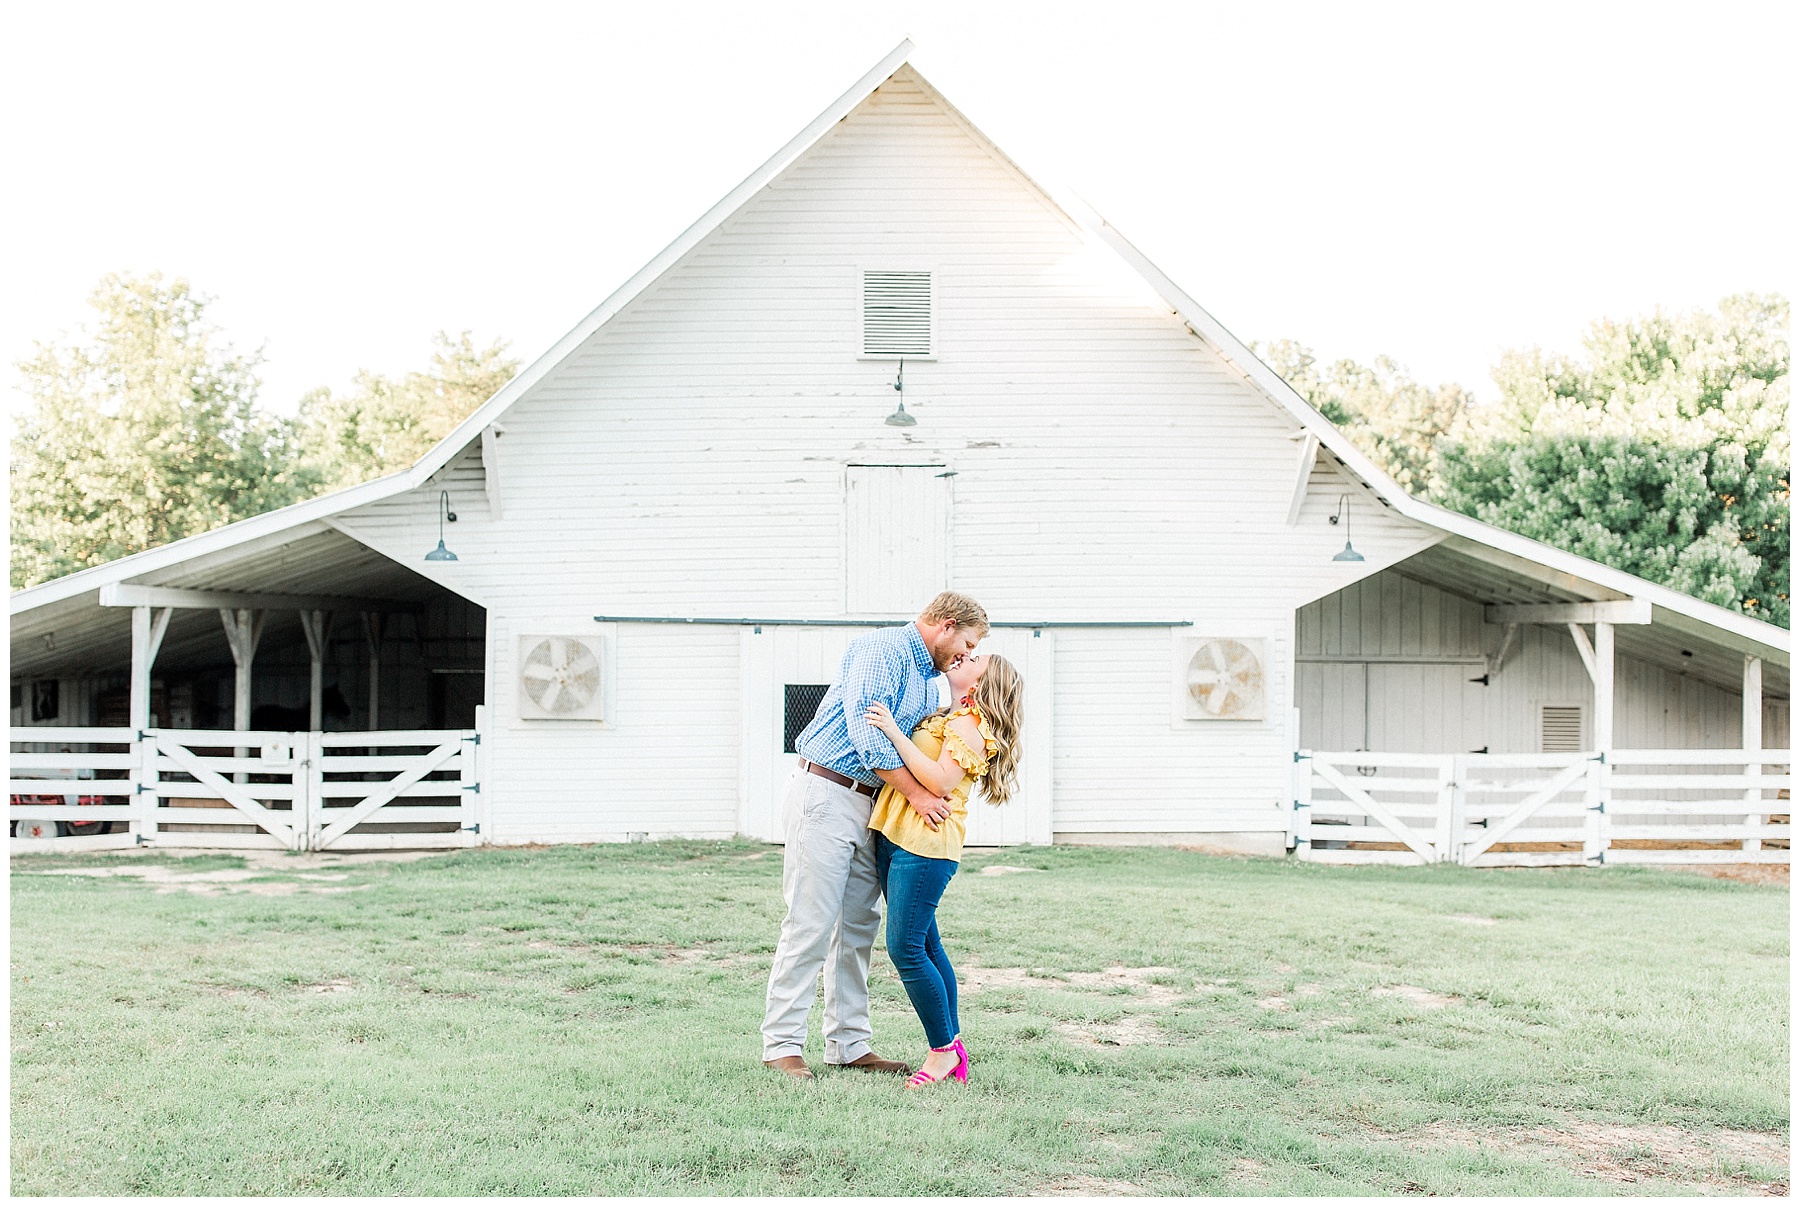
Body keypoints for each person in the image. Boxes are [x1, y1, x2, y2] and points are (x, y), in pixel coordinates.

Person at [760, 591, 989, 1080]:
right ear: (947, 625)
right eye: (965, 644)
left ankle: (849, 1044)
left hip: (872, 802)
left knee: (858, 927)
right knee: (810, 922)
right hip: (827, 791)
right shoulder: (880, 651)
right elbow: (869, 739)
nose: (963, 656)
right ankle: (781, 1045)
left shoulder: (930, 677)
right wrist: (922, 797)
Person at [864, 651, 1024, 1088]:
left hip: (927, 846)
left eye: (976, 658)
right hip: (896, 835)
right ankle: (953, 1042)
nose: (963, 657)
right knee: (928, 946)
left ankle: (941, 1053)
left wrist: (894, 732)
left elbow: (939, 781)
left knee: (905, 949)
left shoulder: (972, 727)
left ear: (983, 681)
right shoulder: (943, 716)